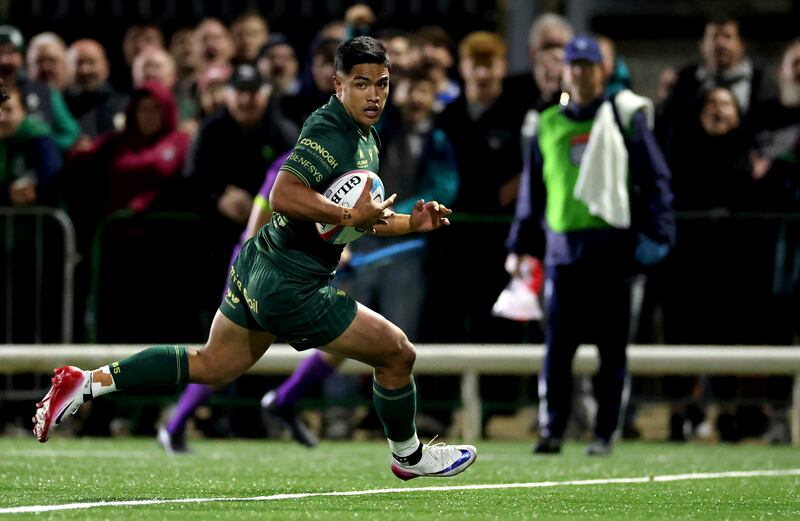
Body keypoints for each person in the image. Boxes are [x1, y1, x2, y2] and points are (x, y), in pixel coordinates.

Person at [33, 36, 477, 481]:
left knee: (211, 363)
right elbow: (283, 194)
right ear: (336, 84)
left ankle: (85, 382)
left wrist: (409, 223)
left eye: (382, 83)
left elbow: (358, 220)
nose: (375, 94)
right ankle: (408, 454)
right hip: (293, 286)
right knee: (398, 353)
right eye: (362, 84)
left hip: (264, 265)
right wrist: (348, 213)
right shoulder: (329, 130)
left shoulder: (367, 136)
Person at [506, 36, 674, 456]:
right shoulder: (547, 123)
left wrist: (658, 234)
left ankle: (604, 432)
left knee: (611, 350)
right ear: (565, 71)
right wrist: (520, 245)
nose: (579, 73)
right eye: (573, 65)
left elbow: (656, 181)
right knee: (556, 351)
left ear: (601, 71)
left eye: (587, 65)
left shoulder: (623, 118)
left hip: (612, 249)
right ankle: (553, 429)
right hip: (563, 251)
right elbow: (533, 194)